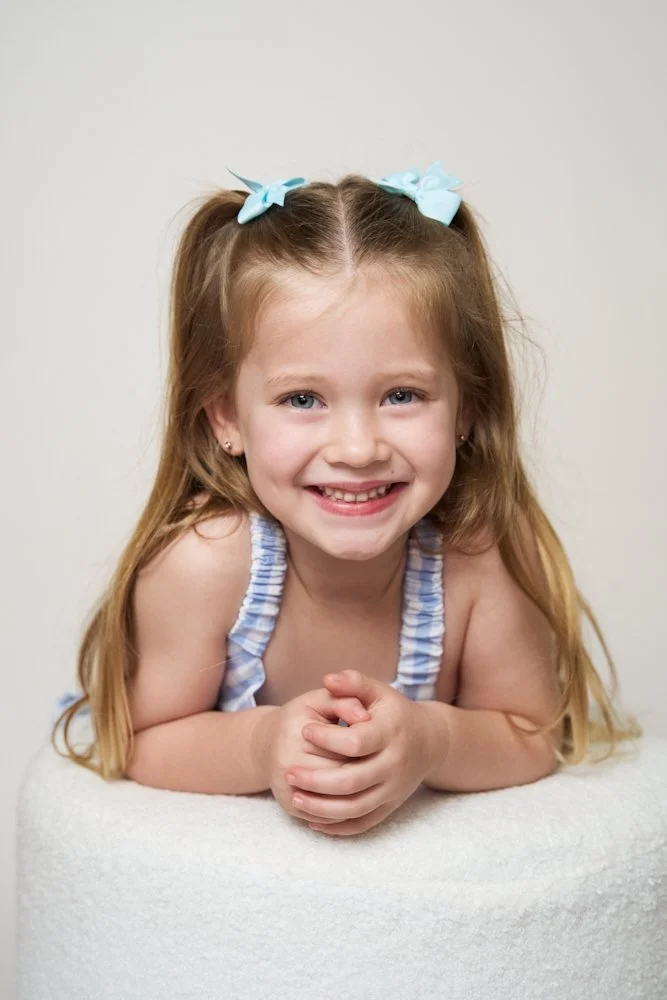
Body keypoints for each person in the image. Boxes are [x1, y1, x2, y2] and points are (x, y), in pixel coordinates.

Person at [51, 160, 642, 837]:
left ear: (465, 408)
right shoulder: (205, 566)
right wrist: (260, 745)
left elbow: (530, 734)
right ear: (226, 418)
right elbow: (143, 740)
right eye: (302, 399)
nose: (357, 447)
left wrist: (431, 739)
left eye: (402, 395)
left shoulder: (483, 558)